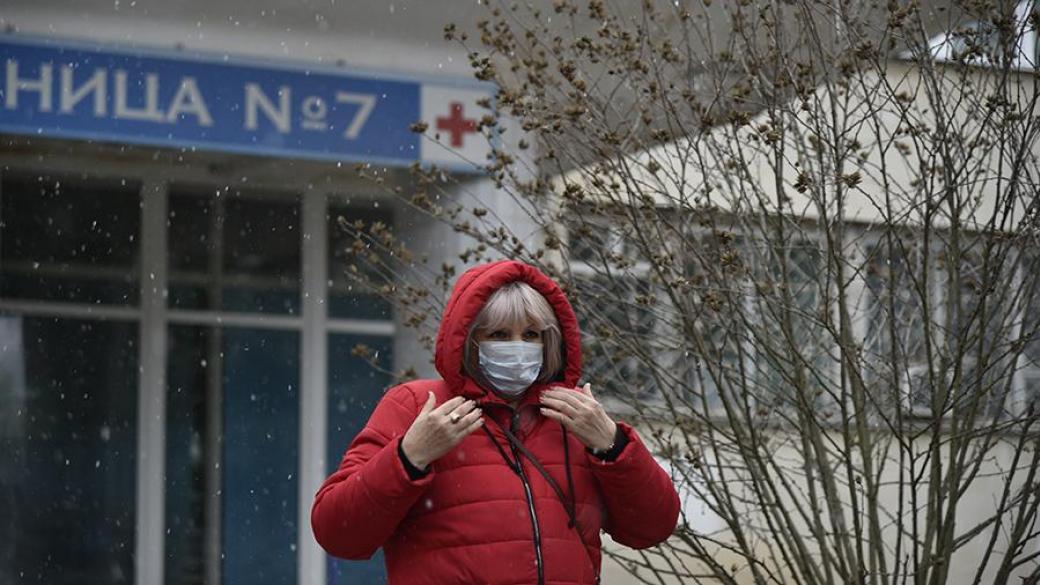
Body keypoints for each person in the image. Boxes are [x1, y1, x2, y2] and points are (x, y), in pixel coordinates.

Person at [311, 260, 680, 584]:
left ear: (549, 341)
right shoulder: (419, 406)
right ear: (470, 341)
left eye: (531, 334)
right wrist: (410, 456)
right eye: (500, 334)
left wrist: (612, 445)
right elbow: (339, 533)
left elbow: (653, 526)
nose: (517, 347)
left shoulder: (574, 416)